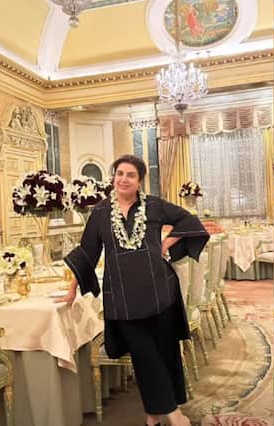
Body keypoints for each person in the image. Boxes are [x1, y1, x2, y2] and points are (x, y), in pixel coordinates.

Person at [58, 155, 209, 426]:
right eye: (119, 173)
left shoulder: (154, 206)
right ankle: (174, 414)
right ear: (113, 177)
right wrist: (72, 288)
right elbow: (87, 252)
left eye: (130, 175)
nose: (123, 179)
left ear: (140, 181)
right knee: (144, 355)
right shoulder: (101, 212)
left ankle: (153, 418)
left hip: (159, 290)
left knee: (163, 352)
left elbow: (188, 221)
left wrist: (165, 245)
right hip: (122, 298)